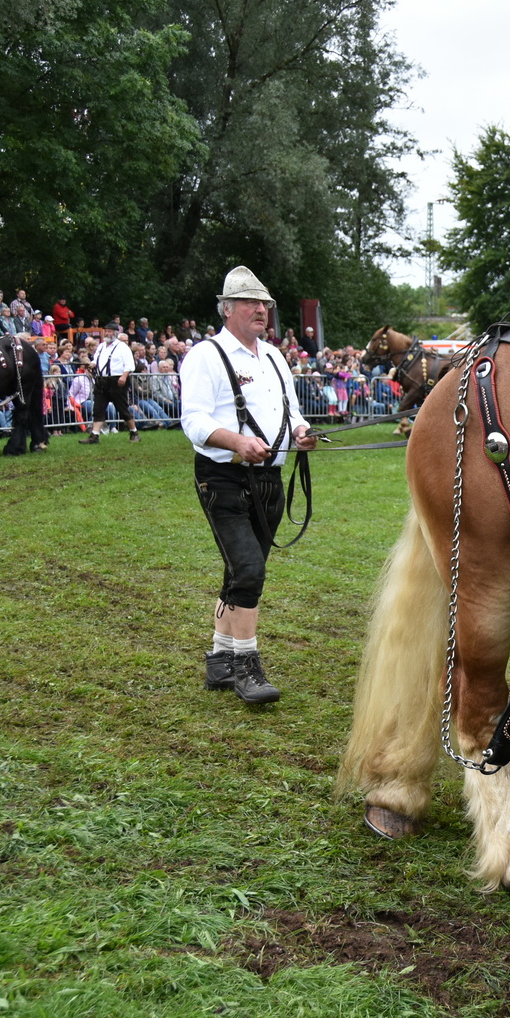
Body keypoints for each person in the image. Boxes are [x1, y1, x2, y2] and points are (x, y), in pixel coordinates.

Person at [179, 265, 316, 704]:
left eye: (266, 304)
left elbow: (292, 410)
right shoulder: (205, 355)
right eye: (252, 303)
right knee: (250, 570)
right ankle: (246, 666)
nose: (263, 310)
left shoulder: (274, 356)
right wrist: (237, 441)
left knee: (239, 571)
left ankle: (219, 659)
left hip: (270, 480)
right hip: (223, 478)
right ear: (227, 309)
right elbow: (194, 421)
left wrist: (301, 433)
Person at [80, 321, 139, 444]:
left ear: (115, 333)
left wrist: (124, 376)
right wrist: (91, 365)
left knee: (122, 408)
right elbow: (96, 360)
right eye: (106, 331)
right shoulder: (101, 346)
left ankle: (134, 432)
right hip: (102, 380)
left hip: (117, 380)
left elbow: (130, 365)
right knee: (98, 408)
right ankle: (94, 435)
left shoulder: (122, 347)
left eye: (110, 331)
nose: (107, 333)